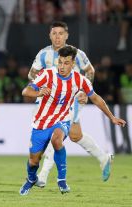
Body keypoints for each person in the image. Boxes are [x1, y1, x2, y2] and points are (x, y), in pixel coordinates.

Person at [20, 45, 126, 195]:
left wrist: (112, 117)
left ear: (73, 64)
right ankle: (32, 179)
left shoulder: (80, 80)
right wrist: (38, 92)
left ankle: (61, 180)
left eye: (66, 63)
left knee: (57, 140)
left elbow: (95, 98)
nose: (62, 66)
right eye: (60, 62)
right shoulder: (47, 74)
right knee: (33, 160)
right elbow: (26, 91)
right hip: (42, 121)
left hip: (63, 118)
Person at [28, 21, 114, 187]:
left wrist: (83, 91)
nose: (58, 36)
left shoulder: (76, 53)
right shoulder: (43, 54)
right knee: (75, 135)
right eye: (54, 33)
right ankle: (103, 158)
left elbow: (90, 71)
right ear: (50, 35)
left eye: (61, 33)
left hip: (70, 100)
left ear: (67, 35)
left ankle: (44, 175)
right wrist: (40, 84)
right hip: (48, 102)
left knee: (56, 134)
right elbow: (32, 74)